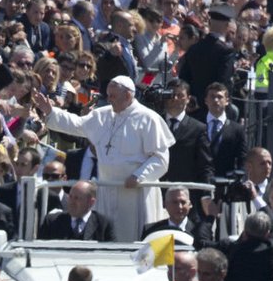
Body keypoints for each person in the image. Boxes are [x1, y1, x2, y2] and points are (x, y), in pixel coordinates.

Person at [35, 76, 175, 240]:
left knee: (133, 239)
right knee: (106, 237)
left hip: (135, 191)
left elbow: (161, 159)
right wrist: (51, 112)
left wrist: (139, 176)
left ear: (128, 96)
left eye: (113, 96)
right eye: (108, 95)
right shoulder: (102, 115)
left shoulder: (148, 118)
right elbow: (77, 124)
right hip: (107, 188)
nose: (109, 99)